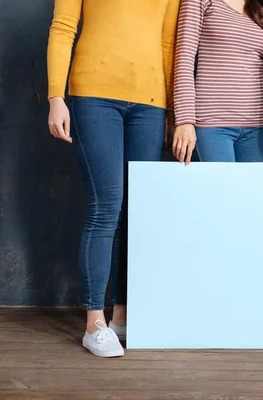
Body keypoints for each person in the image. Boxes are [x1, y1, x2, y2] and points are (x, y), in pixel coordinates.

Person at [47, 0, 179, 357]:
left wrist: (170, 113)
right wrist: (56, 97)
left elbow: (168, 42)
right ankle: (95, 323)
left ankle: (121, 314)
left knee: (135, 213)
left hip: (151, 103)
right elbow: (62, 28)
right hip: (94, 94)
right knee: (106, 206)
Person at [172, 0, 263, 164]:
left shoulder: (262, 5)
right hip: (211, 124)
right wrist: (185, 120)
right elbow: (184, 59)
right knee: (220, 189)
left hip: (258, 127)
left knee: (249, 190)